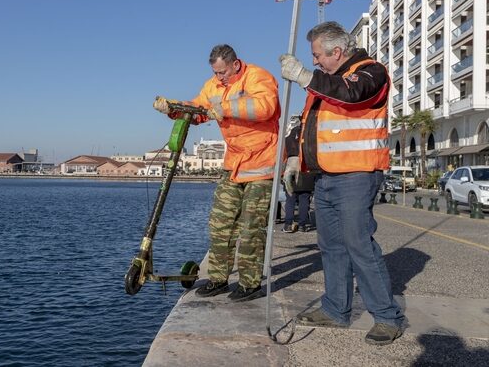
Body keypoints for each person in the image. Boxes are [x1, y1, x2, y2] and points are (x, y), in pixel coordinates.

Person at [279, 21, 405, 345]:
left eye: (318, 56)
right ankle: (336, 309)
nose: (316, 62)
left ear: (337, 51)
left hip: (357, 175)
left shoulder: (371, 72)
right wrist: (294, 156)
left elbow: (353, 95)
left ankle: (387, 318)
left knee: (359, 244)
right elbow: (307, 126)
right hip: (326, 177)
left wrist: (305, 77)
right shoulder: (326, 84)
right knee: (331, 246)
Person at [154, 44, 281, 302]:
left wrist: (226, 109)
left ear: (235, 64)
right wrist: (172, 107)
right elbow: (199, 110)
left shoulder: (258, 76)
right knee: (220, 224)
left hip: (262, 163)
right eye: (215, 72)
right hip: (233, 164)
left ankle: (250, 283)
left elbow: (266, 107)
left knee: (251, 228)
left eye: (222, 72)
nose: (219, 77)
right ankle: (218, 279)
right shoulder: (212, 85)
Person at [281, 115, 314, 233]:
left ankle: (288, 224)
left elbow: (283, 154)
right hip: (305, 167)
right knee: (304, 197)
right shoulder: (308, 132)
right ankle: (302, 225)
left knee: (290, 197)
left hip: (290, 166)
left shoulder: (288, 135)